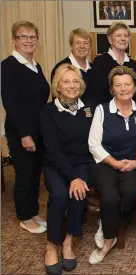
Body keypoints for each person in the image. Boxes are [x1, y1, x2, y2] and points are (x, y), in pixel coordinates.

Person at [88, 66, 136, 264]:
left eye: (127, 84)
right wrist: (114, 163)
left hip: (132, 163)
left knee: (131, 193)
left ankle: (106, 221)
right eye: (118, 85)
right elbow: (94, 143)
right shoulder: (102, 109)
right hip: (105, 161)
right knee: (111, 197)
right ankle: (108, 240)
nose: (123, 88)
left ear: (135, 86)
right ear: (112, 89)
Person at [40, 64, 95, 275]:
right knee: (61, 195)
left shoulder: (88, 108)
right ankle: (51, 245)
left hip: (82, 162)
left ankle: (68, 242)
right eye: (66, 81)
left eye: (75, 81)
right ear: (58, 86)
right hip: (55, 163)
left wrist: (78, 176)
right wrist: (72, 177)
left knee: (78, 195)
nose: (72, 86)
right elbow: (52, 150)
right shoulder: (48, 111)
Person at [1, 21, 49, 233]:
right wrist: (24, 134)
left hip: (38, 129)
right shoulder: (8, 66)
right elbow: (10, 104)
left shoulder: (35, 66)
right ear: (14, 39)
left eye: (32, 36)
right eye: (23, 36)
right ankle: (23, 216)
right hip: (21, 131)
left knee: (35, 173)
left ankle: (33, 211)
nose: (29, 40)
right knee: (24, 174)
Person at [91, 22, 136, 105]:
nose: (123, 39)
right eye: (118, 35)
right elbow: (97, 93)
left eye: (125, 35)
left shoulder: (134, 65)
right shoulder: (99, 62)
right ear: (110, 40)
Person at [51, 28, 94, 105]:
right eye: (77, 43)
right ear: (71, 45)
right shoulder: (61, 68)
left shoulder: (95, 69)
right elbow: (57, 99)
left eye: (85, 43)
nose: (82, 46)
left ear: (90, 46)